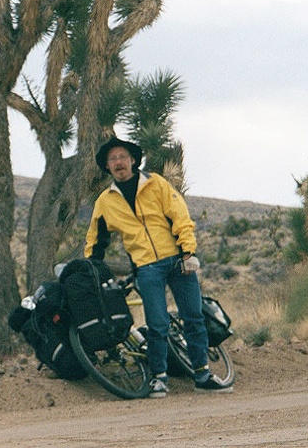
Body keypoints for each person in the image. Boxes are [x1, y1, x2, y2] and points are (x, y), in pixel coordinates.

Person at [84, 136, 233, 397]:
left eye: (122, 157)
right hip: (147, 267)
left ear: (132, 160)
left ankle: (202, 375)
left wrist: (188, 252)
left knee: (193, 317)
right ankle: (159, 378)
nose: (118, 162)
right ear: (107, 167)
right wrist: (91, 268)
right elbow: (96, 240)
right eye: (112, 159)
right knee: (157, 323)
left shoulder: (156, 184)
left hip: (177, 260)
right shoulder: (105, 201)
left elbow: (180, 215)